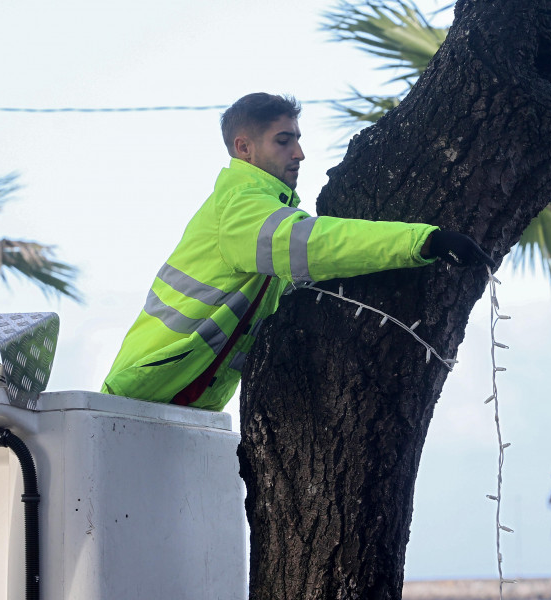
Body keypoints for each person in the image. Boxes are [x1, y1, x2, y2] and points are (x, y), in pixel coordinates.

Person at [101, 93, 491, 411]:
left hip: (170, 396)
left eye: (298, 140)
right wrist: (425, 240)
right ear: (244, 148)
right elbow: (319, 244)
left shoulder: (258, 206)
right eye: (283, 141)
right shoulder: (241, 207)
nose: (300, 153)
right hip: (144, 391)